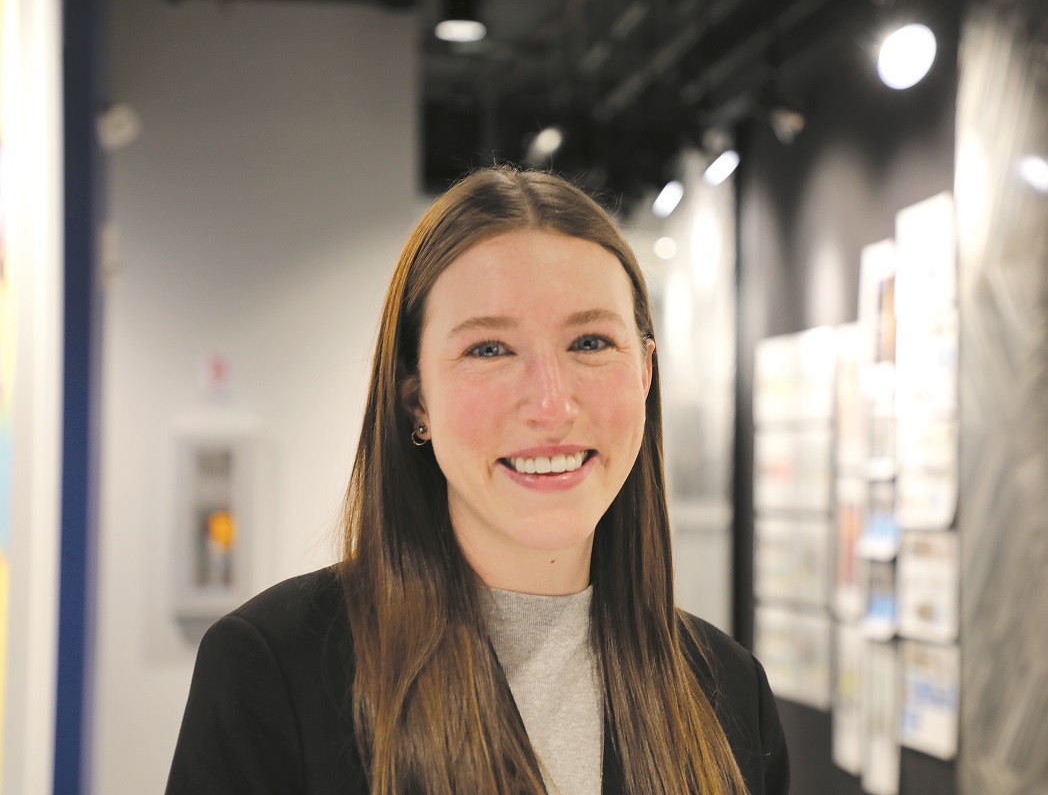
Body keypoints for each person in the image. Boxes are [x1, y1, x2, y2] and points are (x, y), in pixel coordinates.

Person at [165, 166, 789, 795]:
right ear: (416, 400)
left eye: (592, 341)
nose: (551, 405)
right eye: (489, 349)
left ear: (646, 373)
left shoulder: (730, 693)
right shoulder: (274, 675)